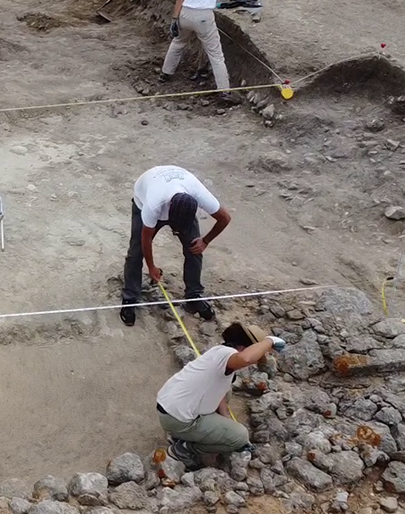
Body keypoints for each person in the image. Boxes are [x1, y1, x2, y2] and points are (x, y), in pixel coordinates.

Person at [156, 322, 284, 469]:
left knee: (227, 392)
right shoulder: (227, 355)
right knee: (240, 436)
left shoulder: (217, 352)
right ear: (243, 348)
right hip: (178, 419)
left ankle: (183, 434)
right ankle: (184, 449)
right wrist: (270, 341)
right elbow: (245, 359)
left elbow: (220, 390)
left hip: (169, 407)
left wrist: (225, 417)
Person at [120, 166, 231, 325]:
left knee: (194, 247)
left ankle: (194, 295)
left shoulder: (197, 194)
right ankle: (130, 297)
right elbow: (146, 239)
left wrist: (205, 241)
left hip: (178, 195)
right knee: (136, 253)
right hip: (143, 194)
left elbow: (225, 218)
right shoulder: (153, 205)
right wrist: (151, 267)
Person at [159, 0, 230, 90]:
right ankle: (224, 90)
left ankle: (165, 73)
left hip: (185, 13)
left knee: (178, 42)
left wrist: (174, 19)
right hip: (204, 16)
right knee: (216, 55)